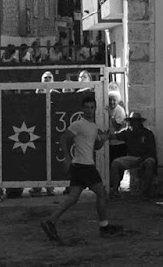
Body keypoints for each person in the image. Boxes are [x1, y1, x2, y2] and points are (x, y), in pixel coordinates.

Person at [40, 92, 122, 241]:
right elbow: (63, 138)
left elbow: (96, 147)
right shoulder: (78, 124)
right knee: (101, 194)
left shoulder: (93, 126)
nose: (89, 110)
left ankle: (50, 221)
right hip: (85, 166)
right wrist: (66, 158)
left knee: (72, 198)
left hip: (80, 165)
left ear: (95, 108)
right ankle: (104, 226)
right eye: (87, 107)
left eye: (92, 107)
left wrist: (103, 139)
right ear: (82, 109)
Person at [110, 113, 159, 198]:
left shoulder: (148, 133)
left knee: (150, 163)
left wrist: (141, 160)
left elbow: (151, 152)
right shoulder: (127, 132)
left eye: (135, 121)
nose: (132, 123)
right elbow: (115, 136)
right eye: (131, 121)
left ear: (140, 122)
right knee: (115, 163)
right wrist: (104, 135)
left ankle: (146, 192)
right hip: (132, 158)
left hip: (146, 157)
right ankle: (115, 191)